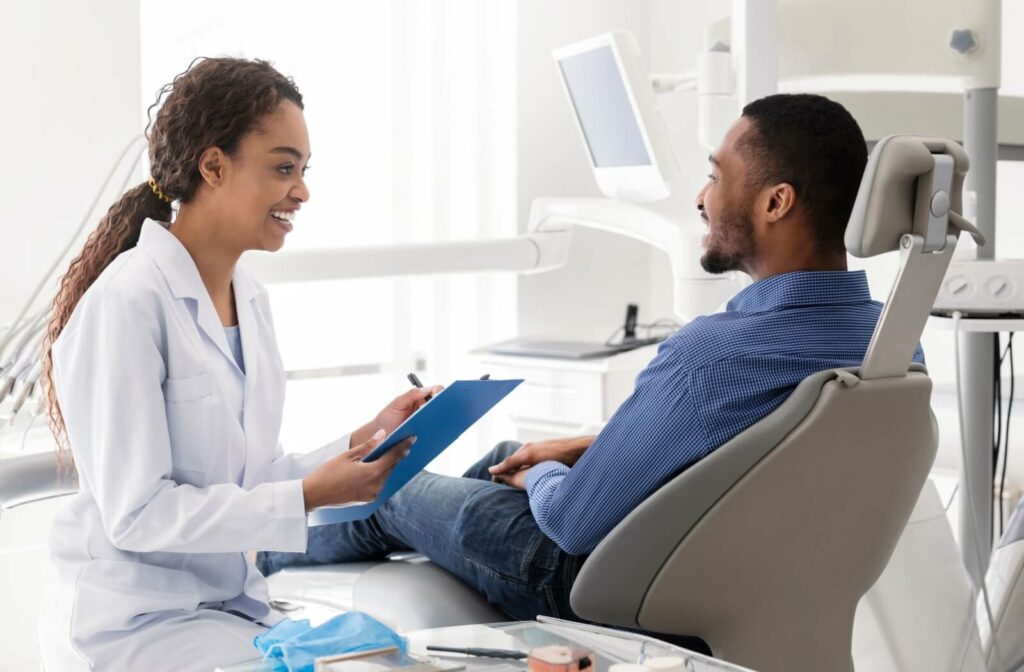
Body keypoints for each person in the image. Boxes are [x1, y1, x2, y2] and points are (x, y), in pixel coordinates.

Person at [257, 93, 926, 622]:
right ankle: (451, 528)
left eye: (717, 176)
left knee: (393, 484)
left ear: (776, 202)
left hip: (591, 577)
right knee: (509, 454)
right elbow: (748, 449)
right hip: (740, 571)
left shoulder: (709, 355)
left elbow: (574, 523)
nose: (700, 197)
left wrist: (541, 480)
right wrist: (571, 448)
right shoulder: (891, 347)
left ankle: (251, 556)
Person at [38, 57, 433, 671]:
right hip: (134, 623)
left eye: (302, 171)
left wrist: (363, 441)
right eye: (283, 168)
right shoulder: (127, 302)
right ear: (214, 166)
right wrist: (304, 495)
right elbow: (138, 514)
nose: (301, 191)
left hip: (227, 606)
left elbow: (249, 474)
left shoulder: (250, 298)